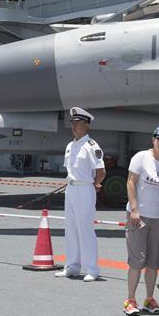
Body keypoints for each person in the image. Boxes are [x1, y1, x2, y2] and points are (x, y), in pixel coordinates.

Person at [123, 126, 159, 316]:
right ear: (153, 139)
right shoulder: (141, 157)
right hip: (139, 216)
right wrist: (134, 209)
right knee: (137, 260)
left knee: (154, 262)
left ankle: (149, 299)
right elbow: (130, 182)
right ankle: (130, 299)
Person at [55, 107, 106, 282]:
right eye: (73, 123)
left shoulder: (91, 146)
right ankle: (72, 266)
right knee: (70, 229)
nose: (74, 127)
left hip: (85, 188)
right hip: (71, 188)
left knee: (85, 229)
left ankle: (92, 269)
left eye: (78, 124)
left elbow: (101, 171)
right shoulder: (71, 145)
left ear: (87, 126)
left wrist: (95, 183)